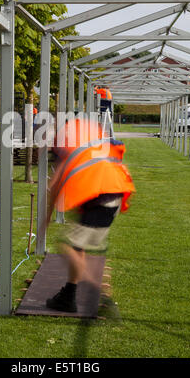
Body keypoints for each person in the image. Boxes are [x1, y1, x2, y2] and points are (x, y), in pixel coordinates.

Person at [45, 116, 135, 313]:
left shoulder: (67, 144)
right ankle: (68, 297)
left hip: (100, 196)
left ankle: (99, 293)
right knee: (77, 246)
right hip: (110, 194)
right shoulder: (91, 138)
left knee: (66, 246)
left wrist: (45, 220)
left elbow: (55, 185)